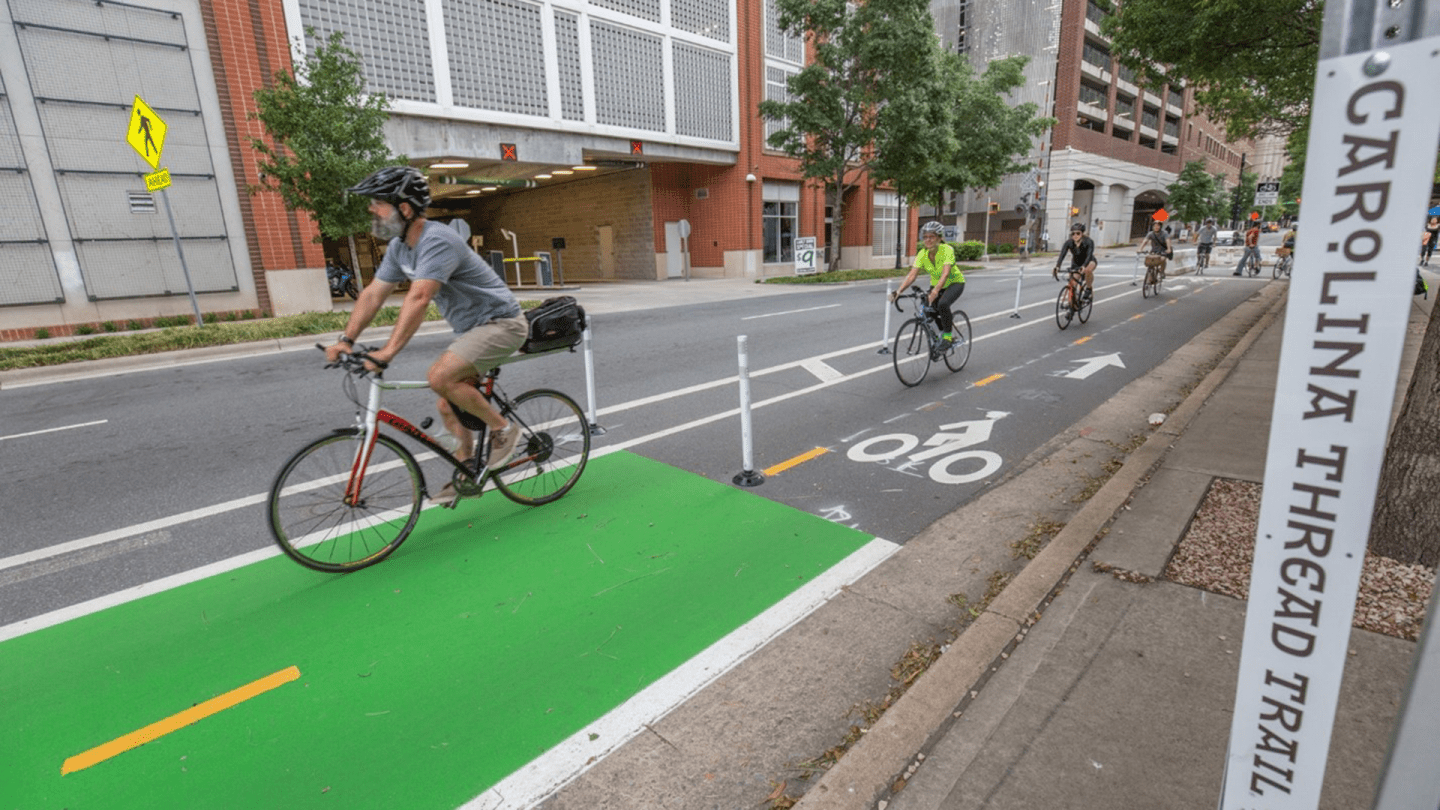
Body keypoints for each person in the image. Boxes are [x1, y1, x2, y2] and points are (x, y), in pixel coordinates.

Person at [324, 165, 528, 504]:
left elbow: (420, 297)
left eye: (378, 203)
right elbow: (374, 293)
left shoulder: (437, 240)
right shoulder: (399, 247)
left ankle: (503, 430)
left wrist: (388, 351)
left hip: (502, 324)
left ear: (404, 208)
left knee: (440, 376)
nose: (371, 210)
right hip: (472, 330)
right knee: (447, 405)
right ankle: (466, 471)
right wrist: (347, 340)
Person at [891, 220, 965, 344]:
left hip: (954, 283)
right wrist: (898, 292)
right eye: (925, 237)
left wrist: (935, 291)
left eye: (932, 237)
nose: (928, 240)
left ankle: (947, 337)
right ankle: (939, 335)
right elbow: (912, 276)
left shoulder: (947, 250)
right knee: (928, 310)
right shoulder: (922, 254)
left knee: (943, 304)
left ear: (939, 238)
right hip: (936, 284)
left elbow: (945, 273)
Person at [1053, 222, 1097, 296]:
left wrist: (1084, 266)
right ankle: (1072, 303)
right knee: (1072, 283)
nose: (1075, 235)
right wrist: (1057, 266)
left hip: (1089, 261)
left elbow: (1089, 255)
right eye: (1073, 234)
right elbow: (1062, 255)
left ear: (1082, 234)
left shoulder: (1089, 241)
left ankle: (1088, 288)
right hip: (1076, 263)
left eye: (1078, 233)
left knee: (1088, 270)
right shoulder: (1069, 243)